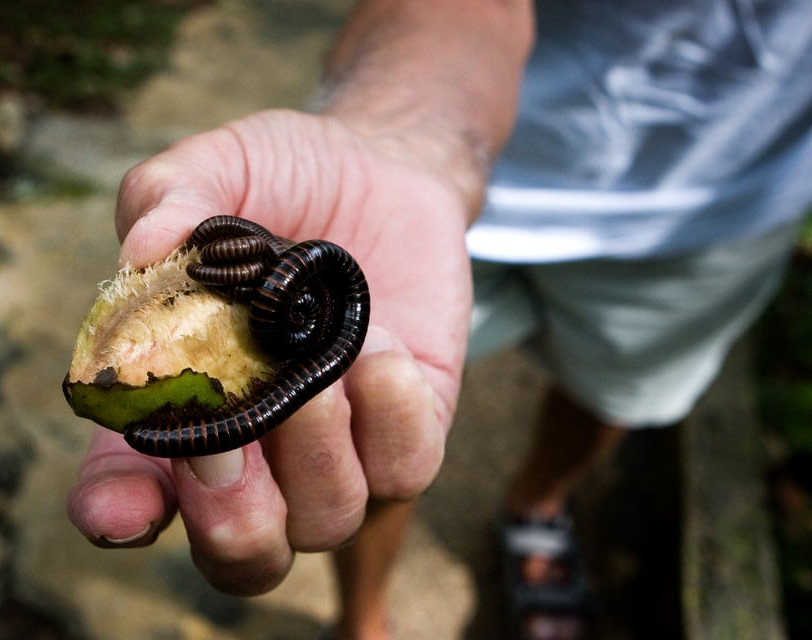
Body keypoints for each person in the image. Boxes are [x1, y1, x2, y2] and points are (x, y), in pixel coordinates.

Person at [66, 1, 812, 638]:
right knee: (379, 424)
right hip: (451, 179)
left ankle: (538, 502)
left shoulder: (315, 294)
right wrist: (402, 134)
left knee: (616, 395)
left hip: (716, 215)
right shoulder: (321, 276)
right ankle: (366, 614)